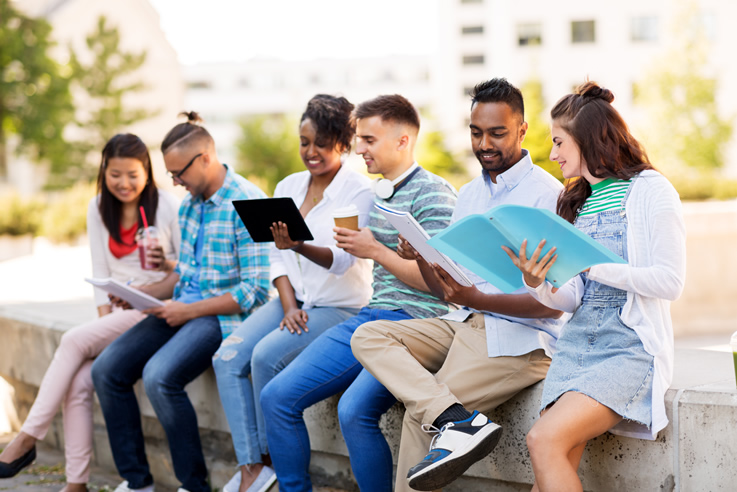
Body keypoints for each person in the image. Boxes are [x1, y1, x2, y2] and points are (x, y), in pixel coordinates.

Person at [352, 78, 568, 491]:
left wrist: (476, 297)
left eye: (497, 133)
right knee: (369, 336)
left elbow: (553, 306)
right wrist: (420, 257)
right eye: (476, 132)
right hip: (464, 322)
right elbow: (445, 290)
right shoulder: (468, 195)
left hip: (520, 342)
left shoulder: (548, 196)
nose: (484, 143)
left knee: (419, 420)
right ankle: (456, 420)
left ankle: (448, 419)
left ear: (522, 130)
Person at [259, 94, 458, 492]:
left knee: (353, 411)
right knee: (275, 397)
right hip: (372, 317)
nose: (359, 149)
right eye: (359, 139)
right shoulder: (378, 193)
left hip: (416, 324)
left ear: (403, 141)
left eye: (369, 140)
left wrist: (376, 251)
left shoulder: (435, 193)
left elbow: (445, 287)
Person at [503, 81, 686, 491]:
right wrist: (537, 281)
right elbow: (572, 298)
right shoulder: (576, 203)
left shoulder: (651, 190)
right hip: (576, 344)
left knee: (542, 439)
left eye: (558, 142)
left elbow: (670, 282)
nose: (551, 154)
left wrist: (594, 264)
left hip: (630, 348)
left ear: (585, 139)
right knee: (547, 468)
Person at [90, 112, 271, 492]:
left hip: (222, 316)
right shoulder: (189, 206)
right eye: (171, 174)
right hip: (183, 307)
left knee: (159, 377)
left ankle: (193, 484)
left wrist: (186, 310)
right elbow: (186, 274)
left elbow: (254, 291)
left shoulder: (249, 201)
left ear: (205, 158)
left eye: (178, 173)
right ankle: (137, 482)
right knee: (107, 369)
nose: (174, 182)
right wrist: (140, 296)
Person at [212, 94, 374, 492]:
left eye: (322, 143)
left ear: (342, 143)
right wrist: (287, 305)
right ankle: (257, 463)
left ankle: (282, 473)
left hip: (340, 307)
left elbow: (341, 259)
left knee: (267, 356)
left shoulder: (358, 192)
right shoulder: (289, 184)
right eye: (304, 142)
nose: (311, 152)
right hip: (293, 301)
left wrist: (298, 243)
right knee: (227, 356)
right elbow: (275, 256)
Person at [0, 134, 179, 492]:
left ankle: (27, 437)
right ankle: (76, 483)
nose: (124, 184)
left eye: (132, 174)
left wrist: (165, 262)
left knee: (71, 339)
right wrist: (104, 320)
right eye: (115, 175)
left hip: (155, 310)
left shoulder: (166, 207)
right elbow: (100, 273)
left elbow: (185, 273)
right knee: (80, 382)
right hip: (116, 313)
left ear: (146, 171)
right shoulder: (98, 208)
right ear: (104, 171)